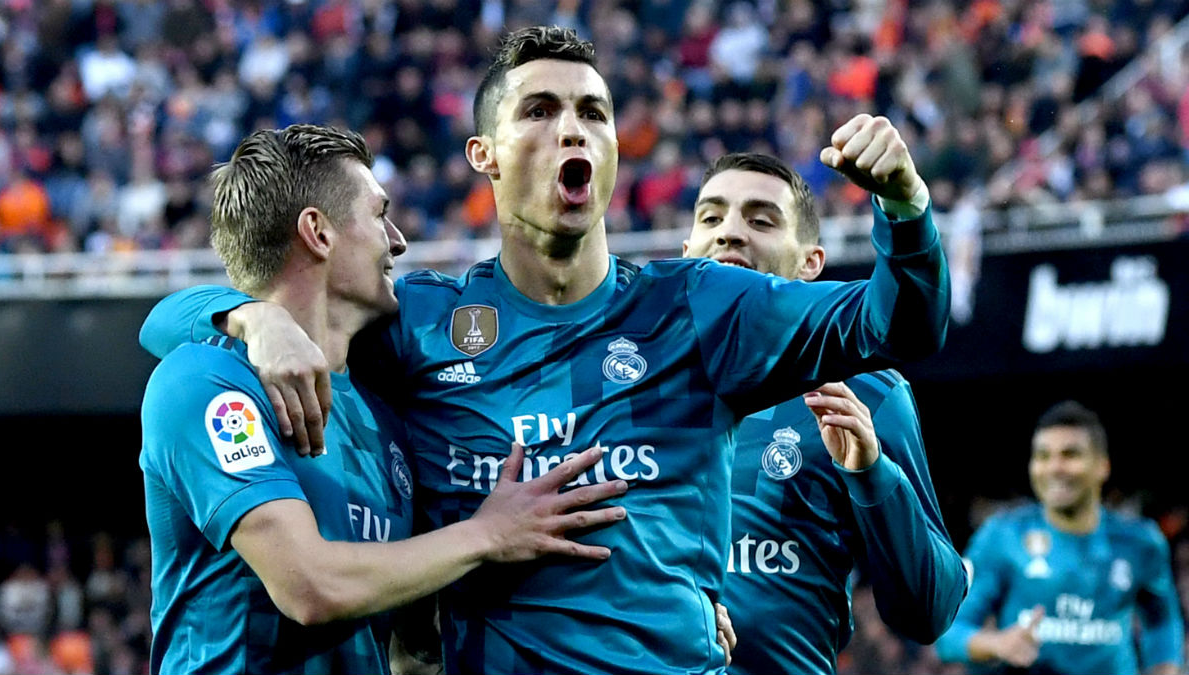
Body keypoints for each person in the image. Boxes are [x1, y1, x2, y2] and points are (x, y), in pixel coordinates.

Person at [139, 26, 950, 675]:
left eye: (593, 114)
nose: (573, 127)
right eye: (539, 110)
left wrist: (906, 209)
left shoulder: (701, 304)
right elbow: (170, 335)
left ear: (611, 156)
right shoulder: (416, 325)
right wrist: (250, 317)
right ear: (483, 155)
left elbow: (897, 324)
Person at [140, 124, 628, 675]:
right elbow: (310, 588)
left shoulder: (385, 419)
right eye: (378, 215)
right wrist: (484, 535)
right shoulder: (205, 380)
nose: (397, 239)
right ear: (317, 233)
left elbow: (414, 635)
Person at [682, 151, 968, 675]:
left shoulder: (864, 394)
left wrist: (871, 472)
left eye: (761, 219)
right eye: (711, 217)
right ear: (686, 251)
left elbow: (930, 610)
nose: (729, 232)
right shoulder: (631, 382)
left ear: (810, 264)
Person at [934, 401, 1184, 675]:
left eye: (1070, 455)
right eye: (1042, 456)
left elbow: (1162, 620)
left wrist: (1166, 667)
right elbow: (949, 634)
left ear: (1102, 466)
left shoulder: (1141, 543)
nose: (1054, 467)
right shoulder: (1002, 536)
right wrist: (997, 644)